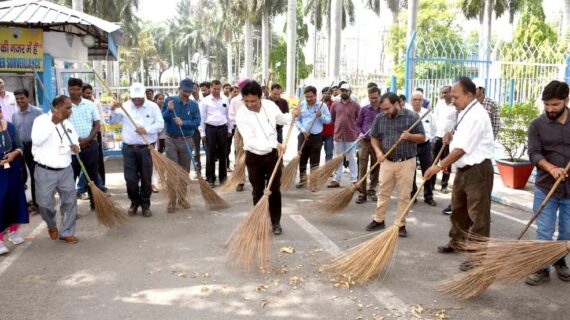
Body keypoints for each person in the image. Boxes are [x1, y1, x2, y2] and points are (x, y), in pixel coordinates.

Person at [424, 77, 495, 272]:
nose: (452, 99)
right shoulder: (465, 111)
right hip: (463, 169)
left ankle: (477, 255)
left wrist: (438, 166)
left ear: (469, 95)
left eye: (455, 96)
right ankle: (457, 241)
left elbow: (462, 149)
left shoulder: (477, 115)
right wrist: (451, 136)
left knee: (478, 215)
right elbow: (460, 141)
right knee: (458, 209)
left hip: (478, 171)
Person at [525, 80, 570, 285]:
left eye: (555, 105)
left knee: (567, 231)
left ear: (566, 100)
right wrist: (552, 168)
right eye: (547, 104)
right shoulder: (537, 125)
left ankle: (559, 261)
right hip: (546, 186)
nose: (550, 109)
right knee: (544, 230)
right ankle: (541, 267)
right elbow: (534, 153)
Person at [235, 81, 294, 235]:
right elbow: (251, 140)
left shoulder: (269, 105)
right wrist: (275, 144)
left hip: (273, 156)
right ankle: (260, 222)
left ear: (260, 97)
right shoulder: (241, 114)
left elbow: (281, 119)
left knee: (274, 189)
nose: (250, 104)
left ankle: (276, 222)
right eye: (246, 101)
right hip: (254, 157)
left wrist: (292, 114)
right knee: (258, 190)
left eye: (253, 101)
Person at [365, 92, 425, 237]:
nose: (385, 112)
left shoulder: (412, 117)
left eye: (387, 108)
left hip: (406, 162)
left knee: (404, 195)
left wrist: (409, 136)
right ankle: (379, 220)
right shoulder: (380, 118)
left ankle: (400, 224)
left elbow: (422, 137)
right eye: (383, 109)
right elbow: (374, 137)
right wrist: (378, 152)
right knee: (383, 191)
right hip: (387, 161)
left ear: (397, 104)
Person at [110, 83, 164, 217]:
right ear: (130, 96)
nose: (137, 101)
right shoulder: (125, 106)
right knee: (130, 179)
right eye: (134, 99)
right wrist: (113, 109)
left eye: (139, 98)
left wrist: (146, 130)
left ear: (144, 95)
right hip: (129, 149)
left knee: (146, 178)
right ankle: (134, 202)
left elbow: (160, 124)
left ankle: (145, 204)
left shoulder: (153, 107)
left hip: (147, 148)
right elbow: (113, 122)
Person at [32, 95, 80, 244]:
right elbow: (37, 141)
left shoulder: (68, 124)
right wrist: (52, 123)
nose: (71, 110)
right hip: (45, 171)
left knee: (70, 202)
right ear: (57, 107)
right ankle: (52, 225)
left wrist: (75, 148)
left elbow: (74, 142)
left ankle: (66, 232)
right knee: (44, 205)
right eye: (68, 107)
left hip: (66, 170)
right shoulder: (40, 121)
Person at [162, 79, 201, 212]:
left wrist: (183, 123)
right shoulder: (170, 101)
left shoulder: (194, 105)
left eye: (189, 91)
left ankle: (182, 198)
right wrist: (169, 110)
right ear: (179, 89)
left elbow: (197, 122)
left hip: (187, 140)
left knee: (184, 171)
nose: (187, 94)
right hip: (171, 140)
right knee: (172, 171)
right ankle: (172, 201)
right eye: (185, 91)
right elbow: (162, 118)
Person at [67, 78, 101, 210]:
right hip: (71, 148)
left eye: (78, 89)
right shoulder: (64, 105)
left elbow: (97, 124)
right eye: (72, 89)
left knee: (92, 176)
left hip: (90, 145)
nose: (75, 92)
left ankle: (96, 203)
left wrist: (88, 139)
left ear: (81, 90)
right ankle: (71, 208)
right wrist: (75, 142)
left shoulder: (90, 104)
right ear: (68, 89)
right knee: (70, 179)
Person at [0, 107, 28, 254]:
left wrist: (14, 154)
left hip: (12, 172)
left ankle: (13, 232)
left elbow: (20, 146)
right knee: (0, 203)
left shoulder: (10, 126)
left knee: (14, 200)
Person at [12, 89, 43, 212]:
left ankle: (38, 203)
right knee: (22, 175)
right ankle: (24, 202)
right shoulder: (15, 115)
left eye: (22, 98)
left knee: (36, 174)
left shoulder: (38, 112)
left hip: (35, 147)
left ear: (28, 98)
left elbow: (44, 130)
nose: (19, 101)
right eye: (17, 99)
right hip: (20, 149)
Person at [294, 85, 331, 189]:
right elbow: (297, 120)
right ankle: (303, 180)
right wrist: (303, 130)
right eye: (307, 97)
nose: (309, 99)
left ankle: (313, 182)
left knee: (315, 161)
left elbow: (328, 120)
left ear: (315, 95)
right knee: (302, 159)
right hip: (303, 136)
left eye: (311, 97)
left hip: (316, 137)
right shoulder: (301, 105)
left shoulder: (322, 106)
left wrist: (320, 116)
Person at [75, 84, 107, 201]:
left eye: (90, 93)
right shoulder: (69, 105)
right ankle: (81, 190)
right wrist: (78, 140)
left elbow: (98, 122)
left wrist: (89, 139)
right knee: (81, 169)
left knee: (93, 168)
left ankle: (95, 195)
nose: (89, 95)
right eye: (87, 93)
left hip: (93, 138)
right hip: (74, 144)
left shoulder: (93, 104)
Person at [199, 80, 232, 187]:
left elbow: (229, 116)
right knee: (210, 154)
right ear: (210, 88)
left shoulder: (225, 99)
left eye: (218, 89)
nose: (216, 91)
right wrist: (202, 133)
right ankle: (210, 178)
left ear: (221, 88)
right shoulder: (205, 101)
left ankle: (223, 178)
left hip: (223, 129)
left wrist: (229, 129)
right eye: (214, 89)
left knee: (223, 154)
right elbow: (202, 118)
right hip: (210, 129)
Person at [407, 91, 437, 206]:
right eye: (415, 99)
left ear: (423, 101)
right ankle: (413, 195)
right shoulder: (407, 114)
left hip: (425, 145)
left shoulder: (428, 113)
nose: (417, 102)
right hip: (411, 145)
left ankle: (428, 196)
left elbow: (434, 129)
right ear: (411, 101)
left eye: (420, 99)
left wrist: (428, 138)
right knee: (411, 171)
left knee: (428, 170)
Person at [328, 83, 360, 188]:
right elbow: (332, 119)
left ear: (350, 92)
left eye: (346, 90)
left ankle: (354, 180)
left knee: (352, 158)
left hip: (351, 135)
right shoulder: (335, 104)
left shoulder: (355, 105)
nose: (344, 92)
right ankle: (336, 179)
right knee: (338, 158)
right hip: (338, 135)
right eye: (342, 90)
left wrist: (357, 131)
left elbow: (359, 119)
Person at [355, 86, 383, 204]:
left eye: (375, 98)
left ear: (379, 96)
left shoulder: (384, 111)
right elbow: (357, 125)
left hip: (378, 142)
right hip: (365, 142)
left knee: (376, 166)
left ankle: (372, 190)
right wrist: (360, 133)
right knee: (362, 166)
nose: (373, 100)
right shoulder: (364, 109)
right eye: (371, 98)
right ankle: (362, 192)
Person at [431, 85, 455, 195]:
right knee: (434, 161)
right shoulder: (439, 103)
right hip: (437, 136)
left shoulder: (455, 105)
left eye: (446, 92)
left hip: (449, 139)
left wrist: (451, 134)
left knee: (446, 162)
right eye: (442, 93)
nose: (444, 95)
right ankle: (431, 184)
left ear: (451, 93)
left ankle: (444, 185)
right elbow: (434, 118)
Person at [228, 78, 251, 192]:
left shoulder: (257, 99)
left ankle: (256, 178)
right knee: (240, 156)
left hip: (255, 131)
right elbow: (231, 116)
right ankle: (240, 181)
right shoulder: (235, 101)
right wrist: (242, 121)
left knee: (256, 154)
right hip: (240, 131)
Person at [190, 83, 203, 172]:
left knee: (206, 149)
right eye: (191, 88)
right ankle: (197, 166)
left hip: (204, 127)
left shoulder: (204, 100)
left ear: (198, 89)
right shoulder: (189, 101)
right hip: (194, 128)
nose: (193, 90)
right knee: (196, 149)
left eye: (195, 88)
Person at [320, 87, 335, 162]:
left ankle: (328, 172)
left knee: (329, 153)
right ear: (322, 93)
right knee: (316, 153)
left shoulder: (334, 104)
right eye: (325, 93)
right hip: (318, 132)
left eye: (329, 93)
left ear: (331, 94)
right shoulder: (318, 104)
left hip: (330, 133)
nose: (326, 95)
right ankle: (316, 171)